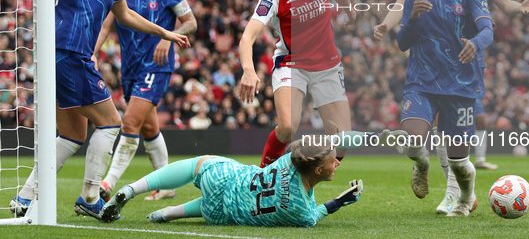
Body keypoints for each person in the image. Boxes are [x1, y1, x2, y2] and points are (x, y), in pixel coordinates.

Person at [6, 0, 190, 220]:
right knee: (111, 123)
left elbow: (126, 15)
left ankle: (25, 197)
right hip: (70, 52)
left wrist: (167, 32)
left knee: (73, 135)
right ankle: (90, 196)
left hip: (62, 56)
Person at [374, 0, 529, 214]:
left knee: (450, 137)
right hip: (427, 65)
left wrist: (519, 7)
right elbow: (402, 6)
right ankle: (448, 187)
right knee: (433, 130)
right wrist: (387, 25)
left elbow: (503, 5)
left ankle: (457, 194)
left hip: (465, 65)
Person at [238, 0, 356, 168]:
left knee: (343, 143)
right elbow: (247, 37)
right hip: (292, 64)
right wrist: (248, 70)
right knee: (288, 126)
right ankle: (261, 178)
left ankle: (304, 182)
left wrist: (349, 11)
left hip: (327, 64)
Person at [100, 131, 403, 226]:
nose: (337, 164)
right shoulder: (301, 212)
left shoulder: (290, 159)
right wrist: (339, 202)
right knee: (218, 204)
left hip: (223, 179)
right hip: (222, 215)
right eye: (333, 162)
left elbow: (322, 148)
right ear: (319, 171)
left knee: (197, 163)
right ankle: (169, 214)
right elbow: (317, 212)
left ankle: (131, 189)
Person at [94, 0, 197, 202]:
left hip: (157, 66)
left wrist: (168, 36)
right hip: (129, 68)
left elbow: (190, 22)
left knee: (129, 121)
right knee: (149, 128)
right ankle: (167, 186)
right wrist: (93, 54)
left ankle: (107, 183)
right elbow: (106, 25)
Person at [396, 0, 494, 217]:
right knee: (412, 139)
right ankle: (422, 165)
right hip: (422, 81)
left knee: (459, 161)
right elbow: (402, 43)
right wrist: (412, 18)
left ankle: (465, 198)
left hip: (460, 85)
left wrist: (475, 43)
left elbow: (487, 29)